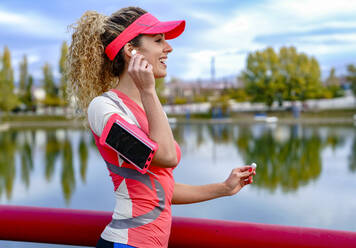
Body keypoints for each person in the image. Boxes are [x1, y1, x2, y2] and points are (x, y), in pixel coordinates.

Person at [66, 6, 256, 248]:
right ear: (130, 50)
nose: (169, 48)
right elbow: (166, 157)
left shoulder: (148, 106)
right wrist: (148, 90)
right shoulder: (103, 109)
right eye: (158, 41)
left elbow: (159, 189)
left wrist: (223, 188)